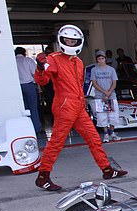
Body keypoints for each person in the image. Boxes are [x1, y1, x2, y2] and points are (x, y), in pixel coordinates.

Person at [33, 24, 127, 191]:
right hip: (64, 107)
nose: (70, 43)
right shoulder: (53, 58)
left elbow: (78, 85)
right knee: (56, 143)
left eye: (73, 41)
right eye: (67, 40)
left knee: (94, 139)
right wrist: (40, 68)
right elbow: (42, 81)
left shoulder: (78, 61)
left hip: (78, 106)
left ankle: (107, 170)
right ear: (62, 40)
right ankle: (43, 176)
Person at [90, 50, 121, 143]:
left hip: (111, 96)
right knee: (102, 116)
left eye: (102, 58)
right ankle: (106, 134)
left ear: (105, 59)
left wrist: (109, 93)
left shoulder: (111, 69)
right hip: (100, 97)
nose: (101, 60)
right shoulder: (94, 70)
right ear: (97, 60)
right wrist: (104, 92)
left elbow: (114, 82)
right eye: (99, 59)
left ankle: (112, 132)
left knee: (113, 115)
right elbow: (94, 83)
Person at [14, 47, 42, 134]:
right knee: (33, 108)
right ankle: (36, 128)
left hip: (18, 87)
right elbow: (35, 73)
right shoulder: (28, 60)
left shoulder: (13, 61)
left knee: (24, 109)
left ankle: (26, 129)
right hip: (29, 85)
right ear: (24, 53)